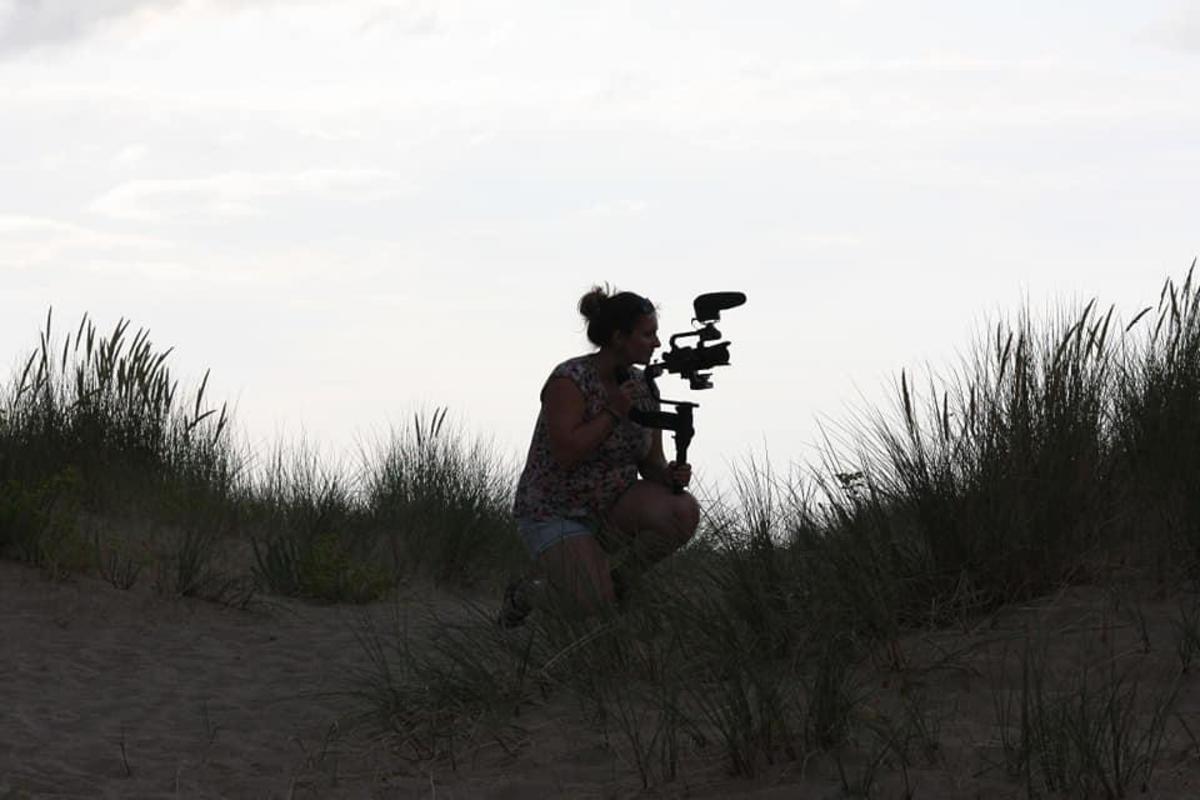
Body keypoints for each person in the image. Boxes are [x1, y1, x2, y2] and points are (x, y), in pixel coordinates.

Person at [500, 286, 701, 626]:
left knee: (682, 510)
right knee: (594, 607)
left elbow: (651, 462)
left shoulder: (643, 385)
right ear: (619, 337)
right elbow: (567, 454)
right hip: (555, 512)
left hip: (612, 507)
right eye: (647, 334)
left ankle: (619, 584)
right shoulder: (570, 380)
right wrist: (614, 411)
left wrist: (669, 477)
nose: (656, 343)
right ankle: (527, 594)